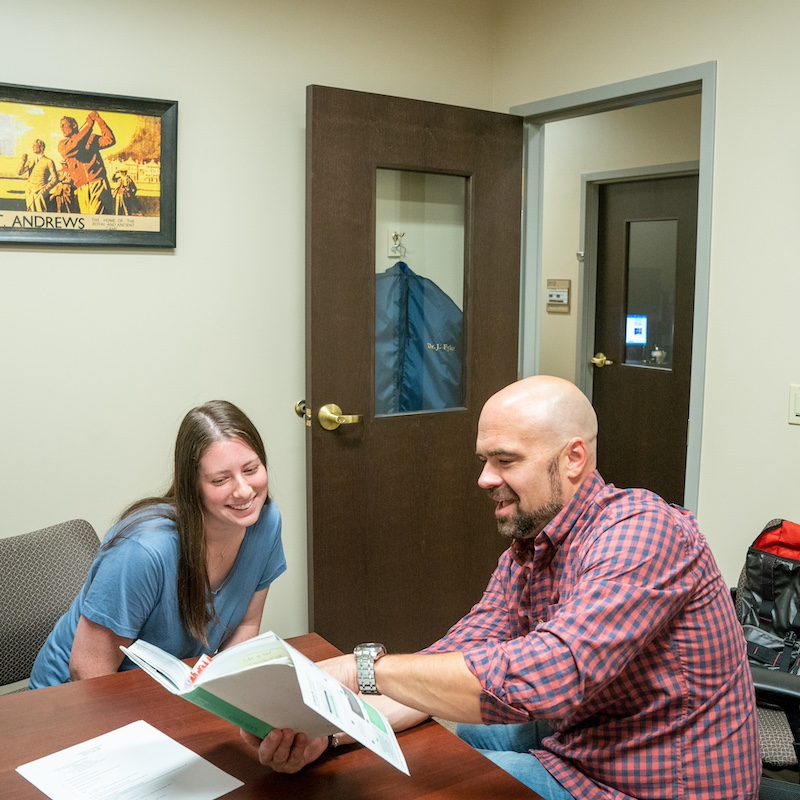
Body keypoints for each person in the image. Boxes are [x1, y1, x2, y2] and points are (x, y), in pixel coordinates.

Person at [242, 376, 760, 800]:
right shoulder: (531, 546)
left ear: (573, 458)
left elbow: (545, 677)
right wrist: (329, 734)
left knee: (410, 786)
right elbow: (457, 662)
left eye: (506, 460)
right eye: (484, 461)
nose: (485, 479)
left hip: (655, 783)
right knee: (416, 746)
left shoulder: (642, 533)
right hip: (585, 740)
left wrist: (360, 670)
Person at [30, 400, 286, 689]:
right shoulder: (142, 551)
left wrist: (224, 699)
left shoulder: (264, 523)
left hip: (164, 691)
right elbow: (87, 672)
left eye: (251, 470)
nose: (243, 491)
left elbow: (245, 627)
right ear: (193, 486)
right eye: (220, 480)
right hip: (74, 697)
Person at [57, 111, 115, 215]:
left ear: (74, 125)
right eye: (60, 126)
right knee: (88, 220)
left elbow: (110, 140)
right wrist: (89, 126)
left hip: (98, 183)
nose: (61, 128)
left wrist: (99, 120)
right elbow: (75, 145)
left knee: (96, 218)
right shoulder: (63, 144)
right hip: (81, 187)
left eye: (64, 125)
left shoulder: (91, 138)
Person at [17, 139, 59, 212]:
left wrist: (45, 189)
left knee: (41, 213)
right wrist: (23, 162)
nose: (32, 147)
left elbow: (55, 179)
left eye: (34, 145)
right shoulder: (31, 161)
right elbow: (19, 172)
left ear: (41, 147)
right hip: (29, 192)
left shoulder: (48, 161)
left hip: (40, 192)